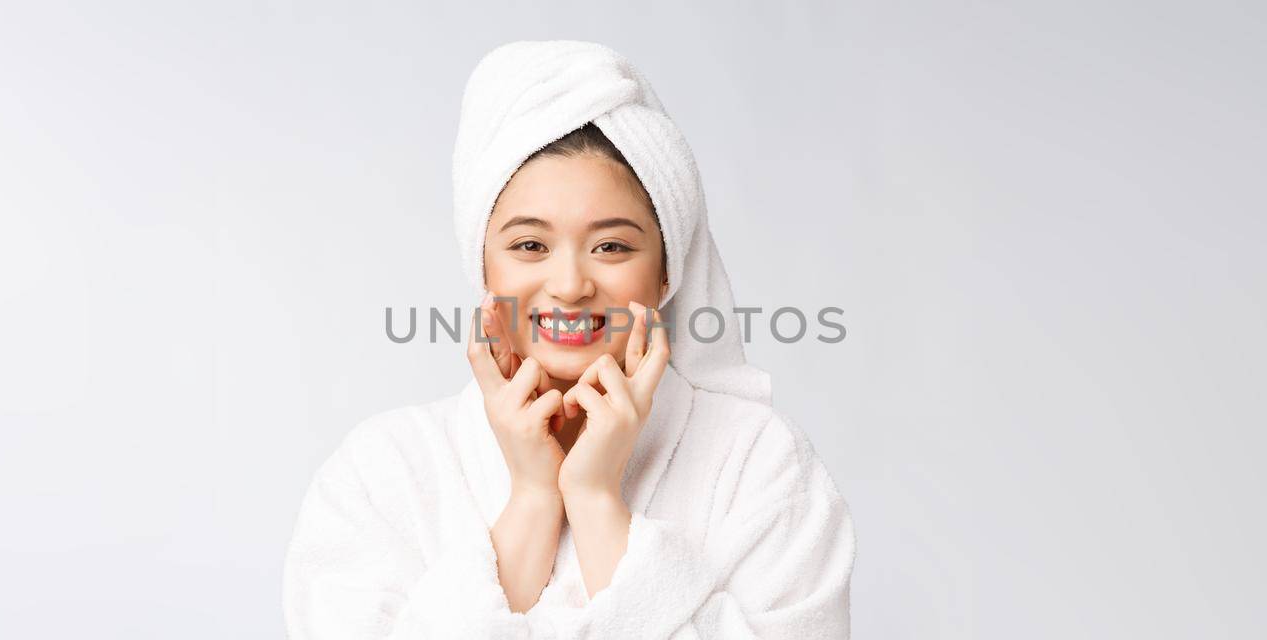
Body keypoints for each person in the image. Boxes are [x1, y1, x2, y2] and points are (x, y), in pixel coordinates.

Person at [283, 40, 855, 639]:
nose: (570, 284)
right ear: (484, 266)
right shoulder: (385, 469)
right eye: (529, 245)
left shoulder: (758, 464)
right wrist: (532, 498)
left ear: (667, 271)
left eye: (612, 246)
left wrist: (596, 502)